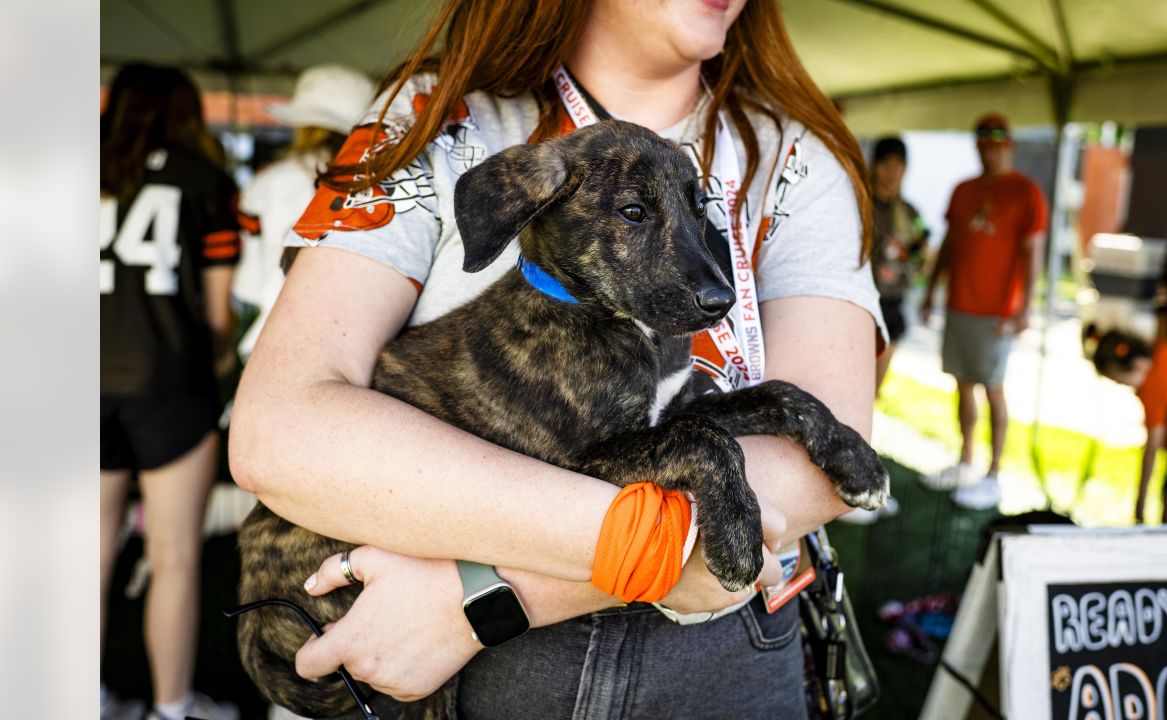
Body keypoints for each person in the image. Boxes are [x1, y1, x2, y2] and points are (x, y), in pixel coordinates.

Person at [229, 0, 887, 716]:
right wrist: (662, 547)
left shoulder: (794, 159)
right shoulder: (427, 123)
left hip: (706, 658)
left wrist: (481, 598)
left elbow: (820, 464)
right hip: (455, 669)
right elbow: (278, 432)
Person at [100, 64, 241, 720]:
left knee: (88, 547)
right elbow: (218, 319)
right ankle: (171, 708)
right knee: (175, 555)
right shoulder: (206, 179)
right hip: (171, 382)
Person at [919, 113, 1047, 511]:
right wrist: (931, 292)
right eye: (982, 139)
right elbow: (951, 245)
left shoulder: (1026, 192)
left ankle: (994, 474)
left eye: (997, 139)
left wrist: (1026, 307)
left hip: (997, 312)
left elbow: (1033, 253)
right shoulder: (963, 190)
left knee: (994, 387)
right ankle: (966, 459)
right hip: (961, 303)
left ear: (1009, 143)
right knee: (962, 383)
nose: (989, 146)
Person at [232, 65, 374, 359]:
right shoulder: (380, 183)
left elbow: (250, 284)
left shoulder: (267, 183)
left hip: (274, 336)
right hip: (358, 342)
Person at [1086, 328, 1167, 524]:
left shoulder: (1152, 386)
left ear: (1137, 366)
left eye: (1122, 382)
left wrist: (1140, 503)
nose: (1131, 389)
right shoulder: (1163, 349)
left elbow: (1153, 446)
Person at [868, 136, 929, 394]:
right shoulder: (861, 204)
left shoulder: (910, 213)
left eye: (898, 165)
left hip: (892, 304)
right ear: (874, 166)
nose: (891, 172)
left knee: (874, 392)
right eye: (885, 164)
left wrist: (914, 259)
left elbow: (923, 256)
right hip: (863, 304)